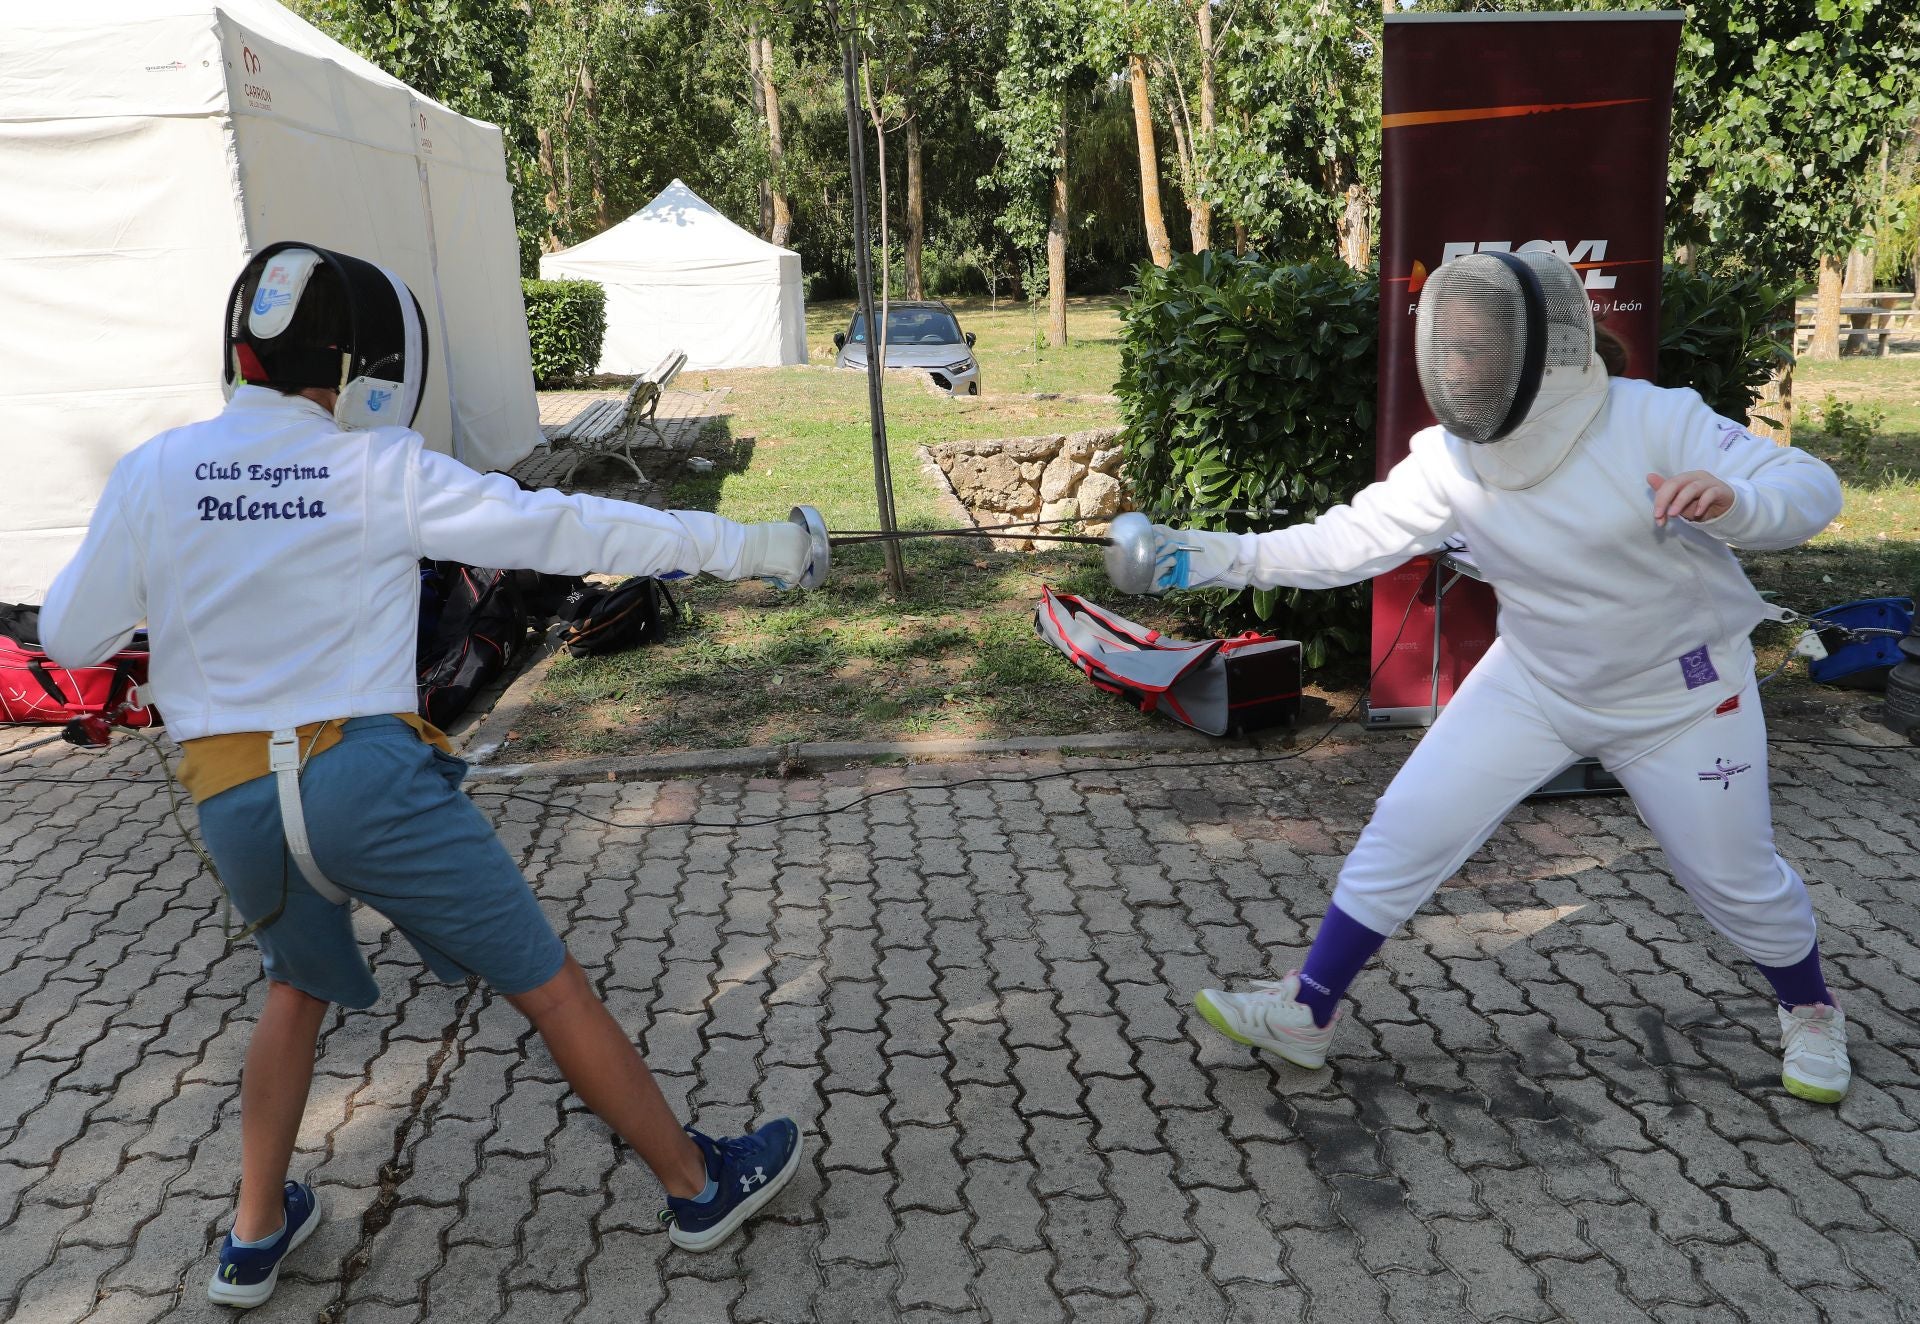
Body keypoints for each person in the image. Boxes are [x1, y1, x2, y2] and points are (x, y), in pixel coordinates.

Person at [39, 242, 815, 1308]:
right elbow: (567, 524)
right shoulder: (378, 468)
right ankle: (695, 1185)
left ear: (236, 351)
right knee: (547, 983)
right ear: (358, 369)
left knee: (295, 985)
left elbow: (74, 635)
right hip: (367, 784)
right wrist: (754, 546)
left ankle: (252, 1237)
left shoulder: (153, 470)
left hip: (234, 804)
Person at [1144, 250, 1851, 1104]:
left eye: (1476, 349)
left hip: (1685, 700)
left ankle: (1811, 1008)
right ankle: (1307, 1010)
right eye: (1451, 349)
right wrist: (1204, 555)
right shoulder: (1449, 459)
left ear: (1535, 350)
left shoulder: (1651, 420)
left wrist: (1734, 502)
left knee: (1735, 882)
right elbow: (1342, 542)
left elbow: (1807, 485)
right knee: (1404, 830)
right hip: (1537, 682)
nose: (1458, 366)